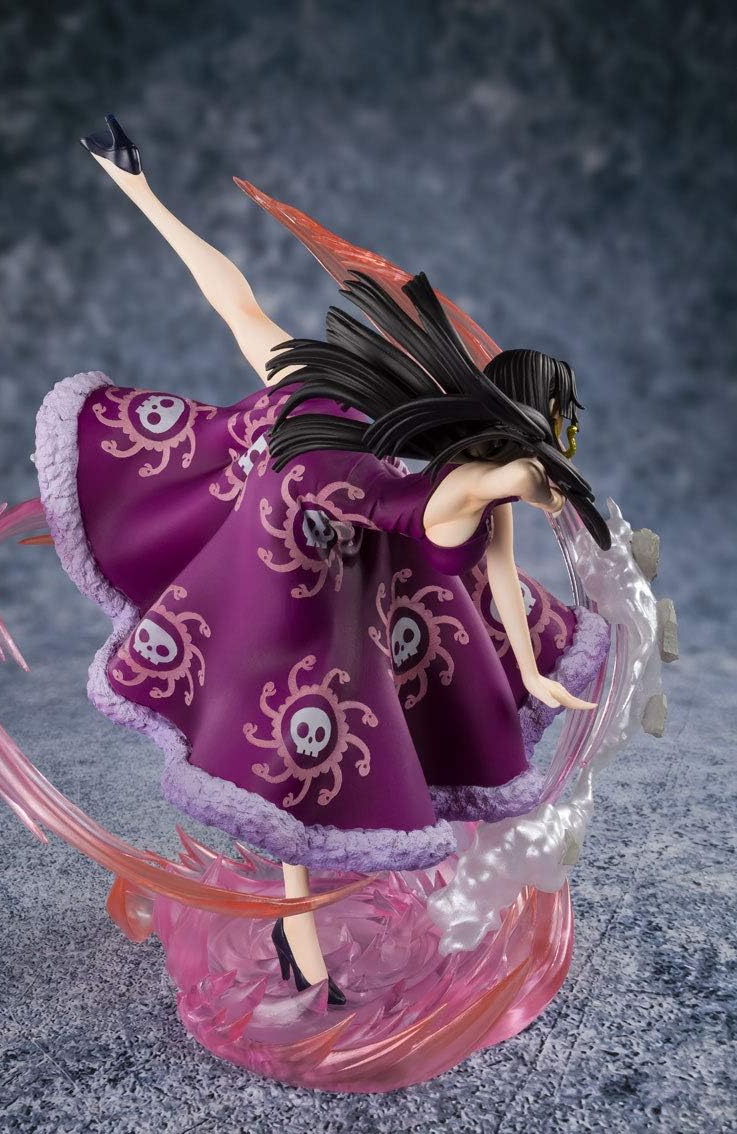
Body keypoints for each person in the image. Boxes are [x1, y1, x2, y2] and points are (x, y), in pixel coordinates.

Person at [32, 116, 611, 1004]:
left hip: (346, 575)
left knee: (325, 747)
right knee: (285, 755)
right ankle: (297, 940)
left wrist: (532, 671)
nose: (541, 483)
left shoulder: (490, 485)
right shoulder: (321, 406)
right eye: (537, 465)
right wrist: (137, 189)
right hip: (276, 562)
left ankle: (299, 940)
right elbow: (233, 300)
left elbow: (497, 569)